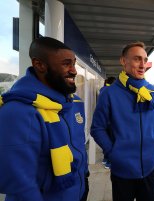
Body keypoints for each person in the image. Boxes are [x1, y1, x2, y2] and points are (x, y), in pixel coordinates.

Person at [0, 37, 89, 201]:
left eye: (74, 63)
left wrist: (84, 175)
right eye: (66, 63)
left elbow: (78, 144)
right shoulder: (17, 112)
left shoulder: (74, 102)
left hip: (78, 192)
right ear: (39, 65)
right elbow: (19, 184)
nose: (74, 70)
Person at [91, 41, 154, 201]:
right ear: (123, 61)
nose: (142, 65)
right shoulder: (109, 93)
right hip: (122, 171)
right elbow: (97, 128)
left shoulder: (153, 91)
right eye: (137, 59)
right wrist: (113, 152)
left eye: (145, 60)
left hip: (150, 167)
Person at [99, 76, 116, 169]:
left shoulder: (103, 89)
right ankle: (109, 162)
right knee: (111, 141)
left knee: (106, 139)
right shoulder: (110, 91)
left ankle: (105, 159)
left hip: (104, 120)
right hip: (110, 121)